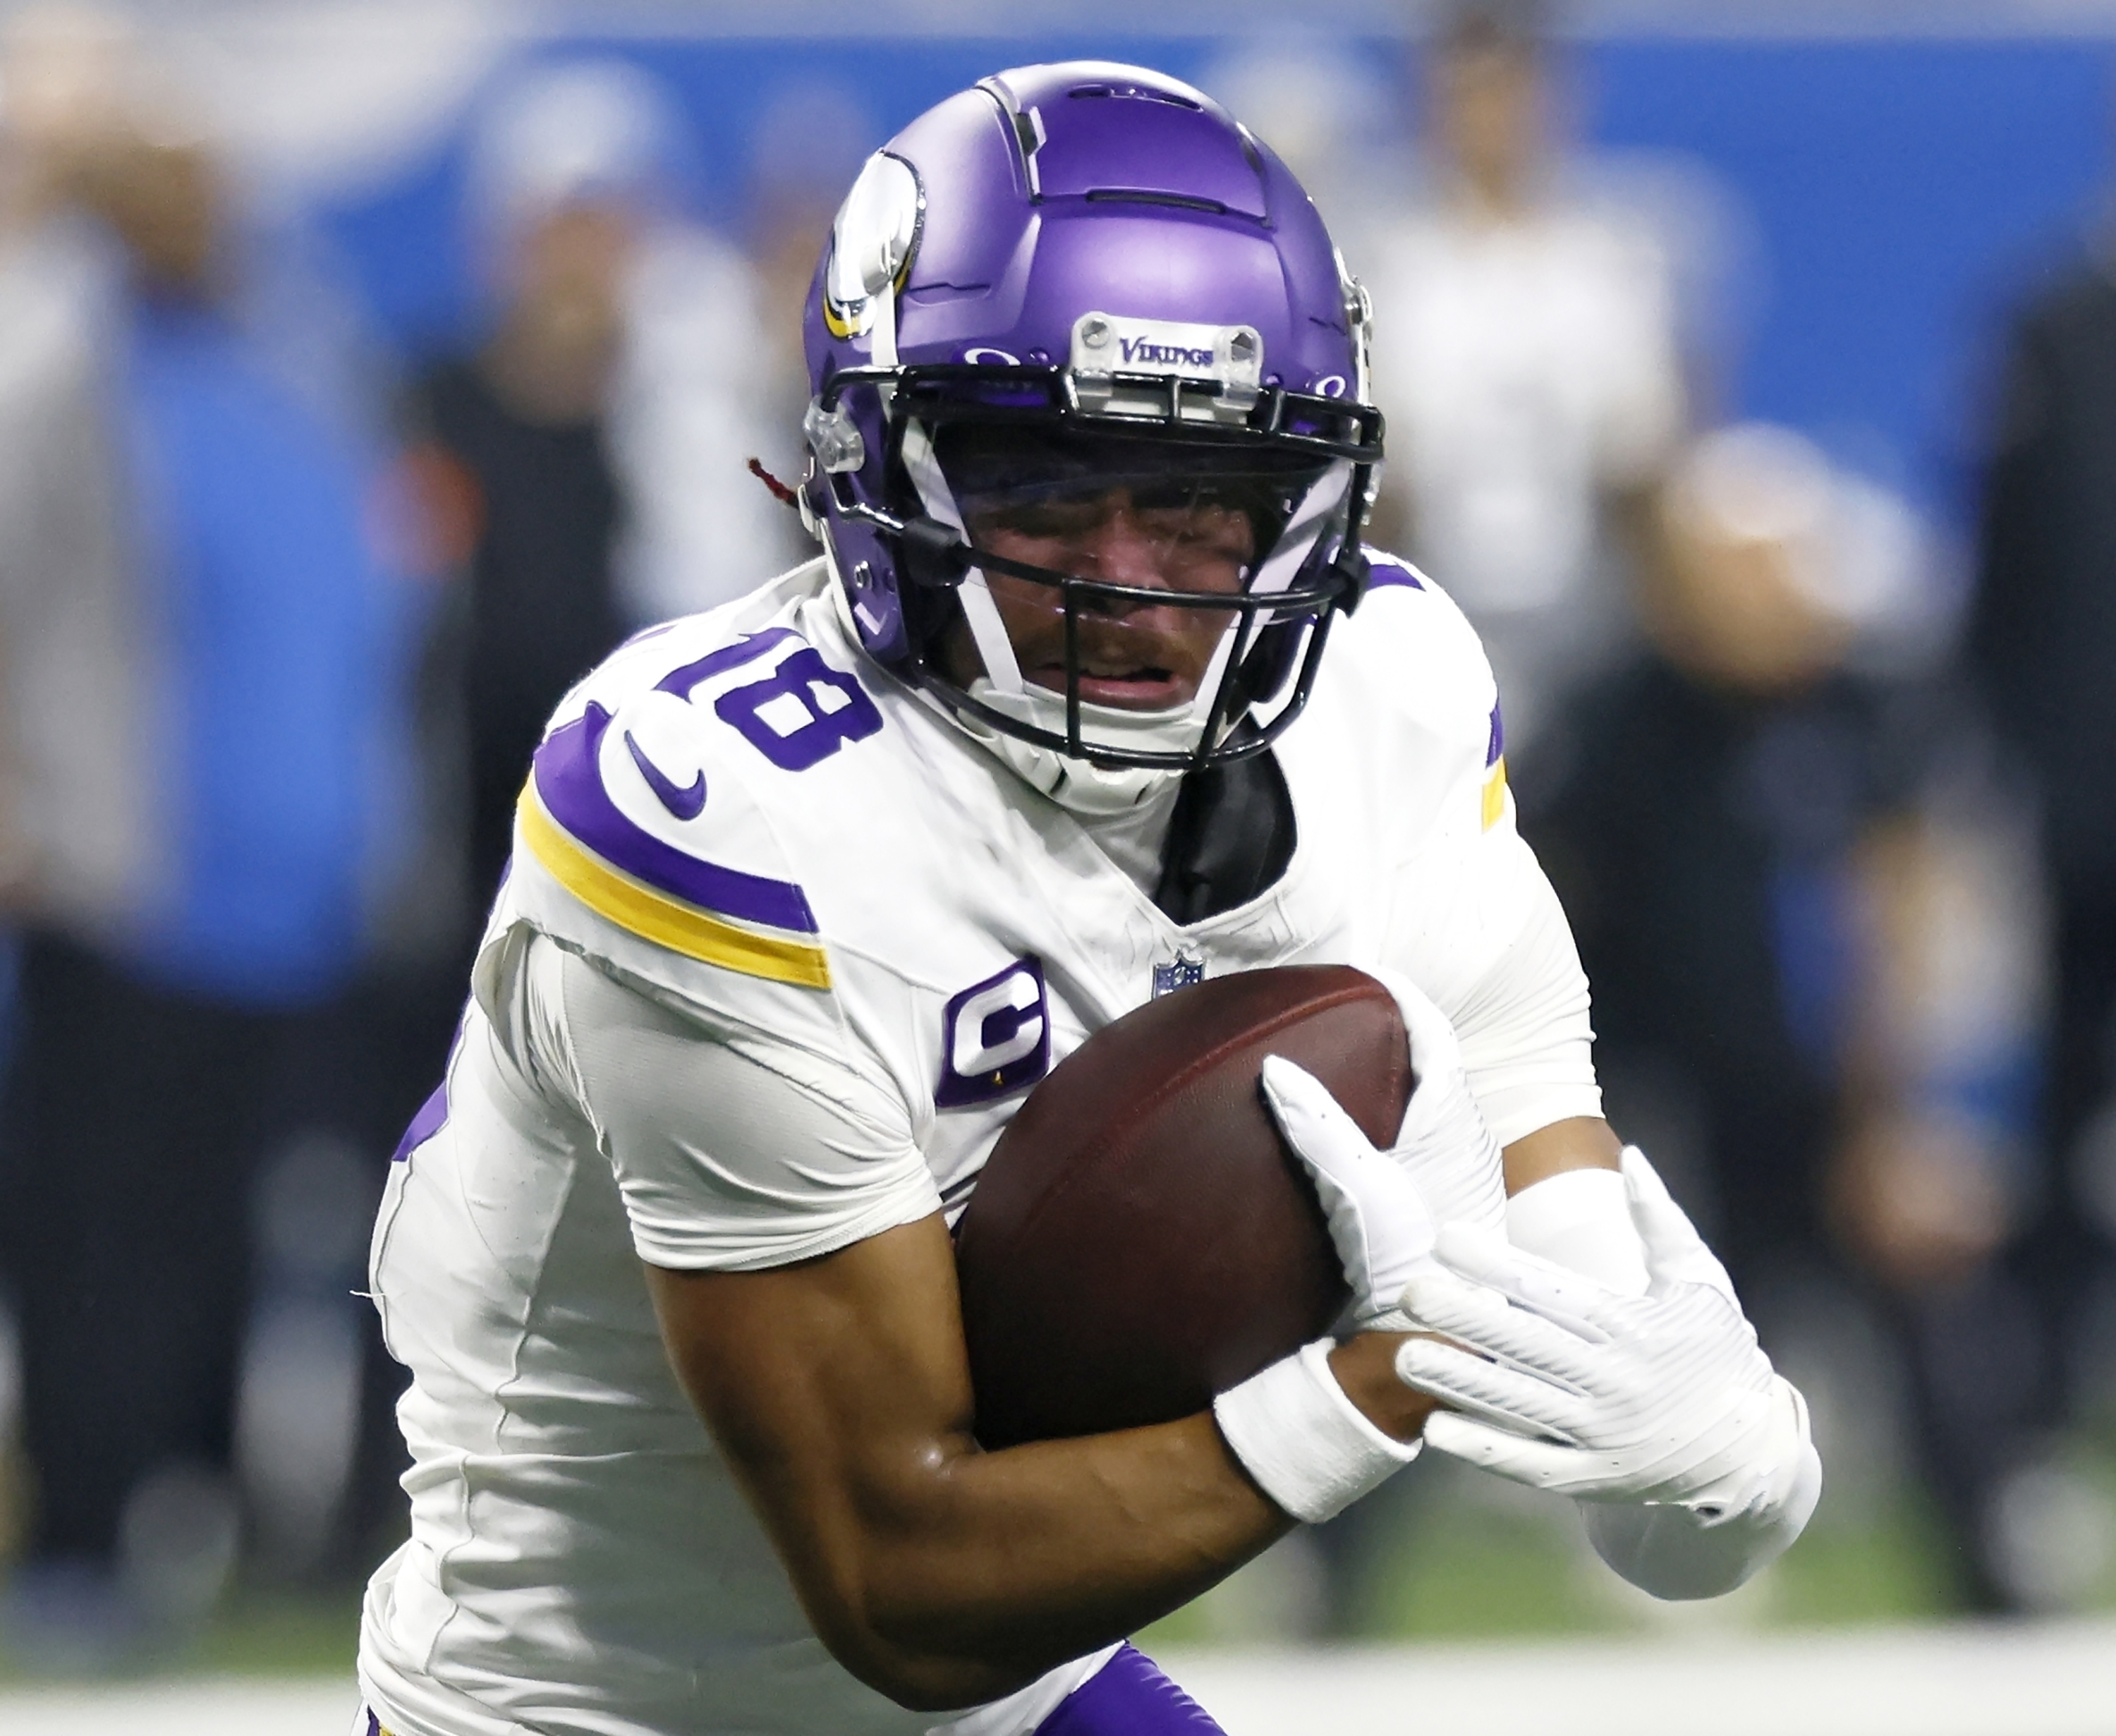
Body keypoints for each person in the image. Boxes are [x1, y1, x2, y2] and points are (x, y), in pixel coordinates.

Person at [355, 64, 1818, 1736]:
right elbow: (897, 1579)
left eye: (1199, 501)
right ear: (873, 472)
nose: (1123, 581)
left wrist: (1705, 1461)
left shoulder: (1386, 687)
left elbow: (1569, 1255)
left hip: (1018, 1690)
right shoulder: (721, 808)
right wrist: (1381, 1381)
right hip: (606, 1700)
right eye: (1042, 488)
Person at [1361, 0, 1689, 764]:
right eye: (1467, 93)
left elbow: (1647, 469)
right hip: (1422, 611)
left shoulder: (1612, 261)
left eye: (1508, 91)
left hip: (1591, 628)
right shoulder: (1382, 263)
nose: (1488, 117)